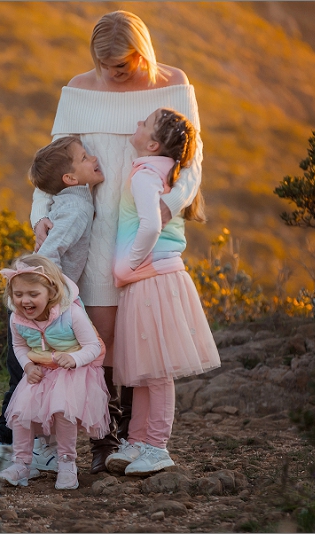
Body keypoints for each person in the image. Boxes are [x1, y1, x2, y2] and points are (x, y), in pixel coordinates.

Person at [31, 10, 204, 474]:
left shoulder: (174, 84)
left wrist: (171, 206)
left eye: (124, 64)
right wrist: (39, 218)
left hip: (143, 231)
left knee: (141, 338)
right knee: (101, 338)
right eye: (106, 66)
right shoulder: (79, 89)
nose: (115, 73)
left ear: (142, 52)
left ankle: (137, 439)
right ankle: (103, 440)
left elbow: (191, 158)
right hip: (92, 231)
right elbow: (52, 163)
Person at [109, 107, 221, 475]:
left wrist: (129, 264)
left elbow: (150, 226)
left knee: (156, 372)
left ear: (153, 143)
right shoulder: (163, 172)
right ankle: (139, 440)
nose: (136, 123)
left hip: (150, 278)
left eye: (144, 123)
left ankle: (157, 446)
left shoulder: (145, 175)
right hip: (155, 279)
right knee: (145, 369)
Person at [0, 135, 104, 476]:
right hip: (48, 309)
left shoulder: (71, 199)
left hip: (46, 306)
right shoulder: (77, 206)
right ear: (70, 178)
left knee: (39, 377)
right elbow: (49, 255)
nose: (94, 158)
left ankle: (36, 449)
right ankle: (9, 446)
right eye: (85, 157)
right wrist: (50, 292)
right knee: (28, 376)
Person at [0, 254, 109, 490]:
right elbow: (20, 346)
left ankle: (67, 463)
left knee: (62, 411)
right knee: (20, 414)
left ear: (51, 292)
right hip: (42, 370)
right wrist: (27, 366)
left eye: (33, 294)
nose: (25, 301)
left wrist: (74, 359)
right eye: (18, 294)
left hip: (73, 372)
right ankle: (21, 464)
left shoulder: (71, 314)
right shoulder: (18, 319)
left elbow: (93, 346)